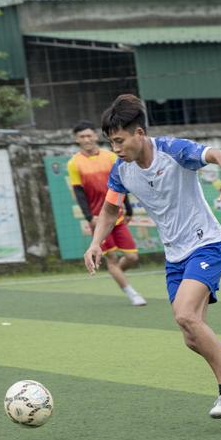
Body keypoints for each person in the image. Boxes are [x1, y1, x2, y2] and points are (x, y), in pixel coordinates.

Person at [84, 95, 221, 420]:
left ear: (139, 133)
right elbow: (110, 208)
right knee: (193, 337)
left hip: (207, 245)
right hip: (175, 256)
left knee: (185, 315)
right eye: (111, 142)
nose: (115, 148)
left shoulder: (173, 151)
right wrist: (94, 243)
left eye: (119, 140)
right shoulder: (121, 170)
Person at [67, 120, 146, 307]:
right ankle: (132, 293)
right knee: (111, 259)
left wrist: (128, 208)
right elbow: (79, 193)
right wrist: (90, 217)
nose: (86, 139)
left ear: (95, 136)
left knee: (133, 256)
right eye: (82, 137)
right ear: (76, 139)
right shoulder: (74, 163)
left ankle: (116, 272)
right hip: (98, 218)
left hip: (117, 215)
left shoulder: (111, 157)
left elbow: (122, 183)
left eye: (89, 135)